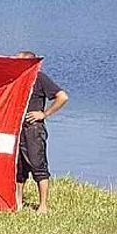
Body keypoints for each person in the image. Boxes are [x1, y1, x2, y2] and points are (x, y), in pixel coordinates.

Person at [14, 51, 69, 214]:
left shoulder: (39, 78)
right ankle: (18, 201)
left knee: (38, 165)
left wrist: (44, 114)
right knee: (18, 167)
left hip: (33, 129)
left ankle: (43, 205)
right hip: (17, 128)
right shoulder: (18, 79)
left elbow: (62, 97)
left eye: (19, 62)